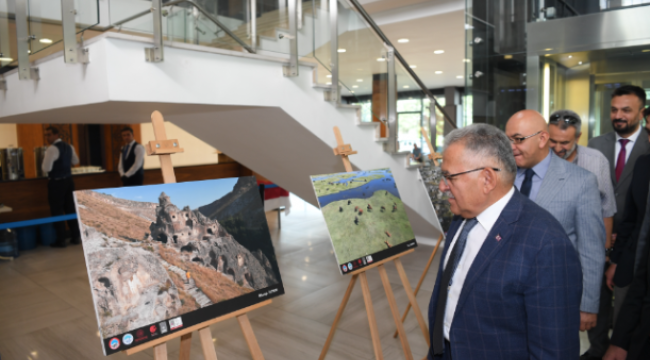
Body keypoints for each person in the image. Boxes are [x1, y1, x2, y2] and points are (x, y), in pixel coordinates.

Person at [427, 123, 582, 360]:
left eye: (450, 177)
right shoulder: (462, 216)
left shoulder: (546, 245)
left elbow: (554, 350)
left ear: (487, 179)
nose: (442, 186)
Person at [506, 110, 605, 332]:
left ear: (542, 139)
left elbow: (591, 248)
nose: (511, 146)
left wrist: (588, 305)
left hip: (553, 294)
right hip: (505, 294)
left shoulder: (581, 182)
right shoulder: (502, 175)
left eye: (519, 139)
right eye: (508, 139)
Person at [586, 85, 650, 360]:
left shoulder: (648, 147)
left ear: (641, 113)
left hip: (636, 241)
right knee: (596, 299)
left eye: (626, 110)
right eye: (614, 110)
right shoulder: (596, 144)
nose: (618, 115)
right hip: (601, 235)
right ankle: (598, 349)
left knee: (628, 303)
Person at [601, 119, 650, 360]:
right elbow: (631, 220)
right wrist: (616, 260)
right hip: (637, 267)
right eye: (649, 130)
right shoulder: (644, 165)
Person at [42, 126, 81, 248]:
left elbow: (46, 168)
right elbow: (76, 161)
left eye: (49, 135)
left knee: (57, 210)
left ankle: (61, 240)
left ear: (56, 135)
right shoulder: (70, 147)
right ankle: (76, 237)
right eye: (46, 135)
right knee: (71, 209)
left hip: (56, 182)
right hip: (69, 181)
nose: (47, 137)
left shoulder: (52, 149)